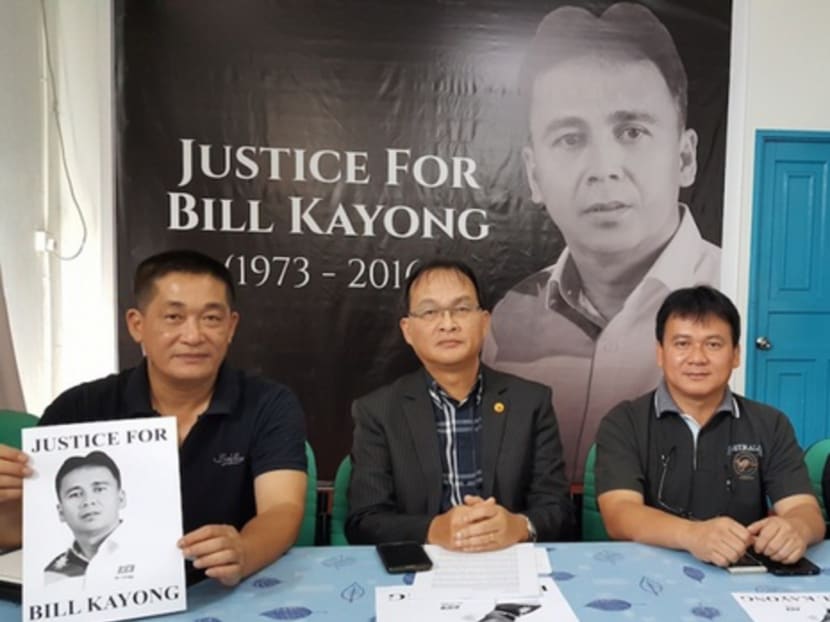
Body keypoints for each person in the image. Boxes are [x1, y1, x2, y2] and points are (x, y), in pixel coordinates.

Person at [481, 1, 720, 482]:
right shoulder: (509, 320)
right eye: (570, 139)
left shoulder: (736, 292)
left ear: (685, 157)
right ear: (534, 174)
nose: (603, 168)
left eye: (632, 131)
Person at [0, 249, 307, 586]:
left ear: (231, 327)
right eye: (173, 317)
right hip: (103, 592)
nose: (193, 336)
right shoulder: (79, 409)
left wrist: (245, 551)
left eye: (211, 318)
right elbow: (21, 532)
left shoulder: (268, 404)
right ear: (137, 325)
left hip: (220, 586)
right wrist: (5, 500)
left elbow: (282, 509)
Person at [346, 259, 574, 549]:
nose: (448, 324)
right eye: (430, 312)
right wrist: (433, 530)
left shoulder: (530, 403)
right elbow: (365, 520)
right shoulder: (378, 412)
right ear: (407, 330)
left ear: (485, 321)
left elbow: (559, 510)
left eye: (462, 309)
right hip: (423, 561)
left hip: (507, 557)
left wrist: (518, 526)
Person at [595, 286, 824, 566]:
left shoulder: (769, 423)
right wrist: (692, 535)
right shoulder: (625, 421)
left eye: (713, 344)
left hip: (740, 571)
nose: (697, 358)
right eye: (682, 344)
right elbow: (619, 514)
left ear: (736, 354)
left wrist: (796, 529)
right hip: (649, 571)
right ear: (660, 353)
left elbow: (804, 509)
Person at [44, 451, 127, 584]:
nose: (88, 501)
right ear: (61, 512)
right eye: (75, 494)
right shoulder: (54, 574)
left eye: (99, 489)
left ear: (121, 498)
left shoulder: (150, 549)